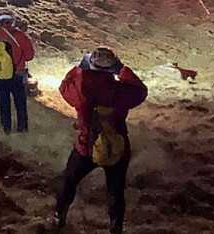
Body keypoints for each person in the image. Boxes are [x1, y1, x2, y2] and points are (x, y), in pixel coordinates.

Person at [53, 46, 148, 234]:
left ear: (91, 64)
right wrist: (122, 69)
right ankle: (115, 228)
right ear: (112, 67)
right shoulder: (122, 90)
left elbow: (65, 86)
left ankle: (59, 218)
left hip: (86, 146)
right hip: (118, 146)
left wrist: (80, 68)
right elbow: (140, 91)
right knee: (115, 191)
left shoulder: (81, 90)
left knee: (69, 181)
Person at [0, 11, 35, 134]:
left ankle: (6, 131)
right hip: (17, 75)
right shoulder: (20, 36)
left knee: (4, 105)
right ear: (12, 22)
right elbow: (30, 55)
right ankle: (23, 131)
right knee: (20, 104)